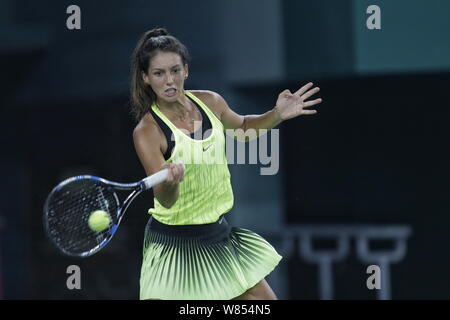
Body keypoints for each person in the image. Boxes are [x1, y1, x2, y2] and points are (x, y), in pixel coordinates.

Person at [130, 28, 322, 300]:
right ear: (146, 78)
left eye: (175, 70)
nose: (169, 80)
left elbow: (243, 128)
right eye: (159, 73)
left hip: (216, 236)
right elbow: (166, 200)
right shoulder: (147, 132)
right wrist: (171, 181)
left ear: (186, 70)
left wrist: (277, 114)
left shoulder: (211, 101)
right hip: (173, 247)